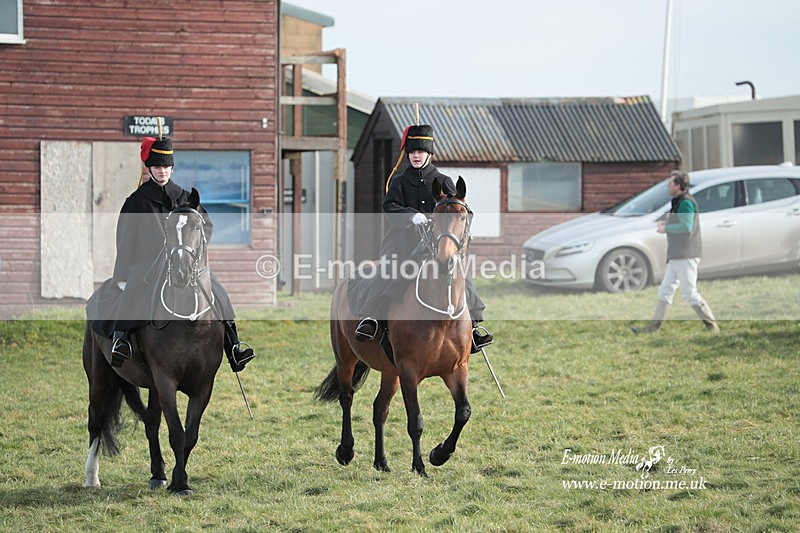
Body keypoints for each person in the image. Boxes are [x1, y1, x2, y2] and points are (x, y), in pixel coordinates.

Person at [106, 136, 256, 371]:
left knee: (218, 290)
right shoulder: (136, 202)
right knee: (132, 293)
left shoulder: (187, 197)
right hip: (148, 265)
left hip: (186, 263)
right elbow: (125, 241)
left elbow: (207, 226)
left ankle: (234, 347)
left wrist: (194, 253)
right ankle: (120, 341)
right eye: (157, 167)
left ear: (172, 168)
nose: (162, 171)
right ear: (149, 168)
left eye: (166, 167)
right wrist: (123, 275)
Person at [354, 124, 493, 353]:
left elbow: (462, 210)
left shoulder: (445, 180)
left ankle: (474, 326)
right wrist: (413, 216)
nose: (416, 156)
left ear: (429, 153)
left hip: (436, 243)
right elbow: (389, 207)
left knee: (459, 275)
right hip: (402, 242)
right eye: (412, 152)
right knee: (388, 270)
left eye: (420, 152)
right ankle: (371, 319)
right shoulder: (399, 181)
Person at [631, 170, 719, 333]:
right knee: (666, 290)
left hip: (685, 255)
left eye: (670, 183)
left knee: (689, 293)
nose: (667, 185)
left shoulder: (685, 202)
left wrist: (666, 229)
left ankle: (712, 327)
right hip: (678, 255)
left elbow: (686, 226)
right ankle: (654, 327)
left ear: (678, 186)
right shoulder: (678, 201)